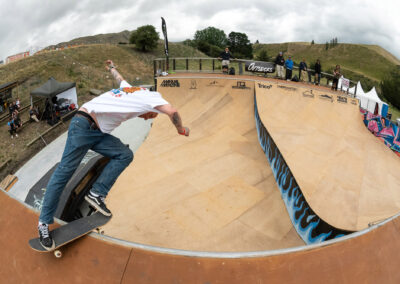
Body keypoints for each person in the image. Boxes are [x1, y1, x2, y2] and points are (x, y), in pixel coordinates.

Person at [37, 59, 190, 251]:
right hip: (83, 127)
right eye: (151, 116)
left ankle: (96, 193)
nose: (146, 118)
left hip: (98, 133)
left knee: (124, 154)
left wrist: (111, 68)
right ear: (153, 110)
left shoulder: (134, 90)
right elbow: (172, 111)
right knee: (64, 173)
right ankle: (43, 223)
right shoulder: (153, 99)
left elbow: (120, 79)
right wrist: (181, 129)